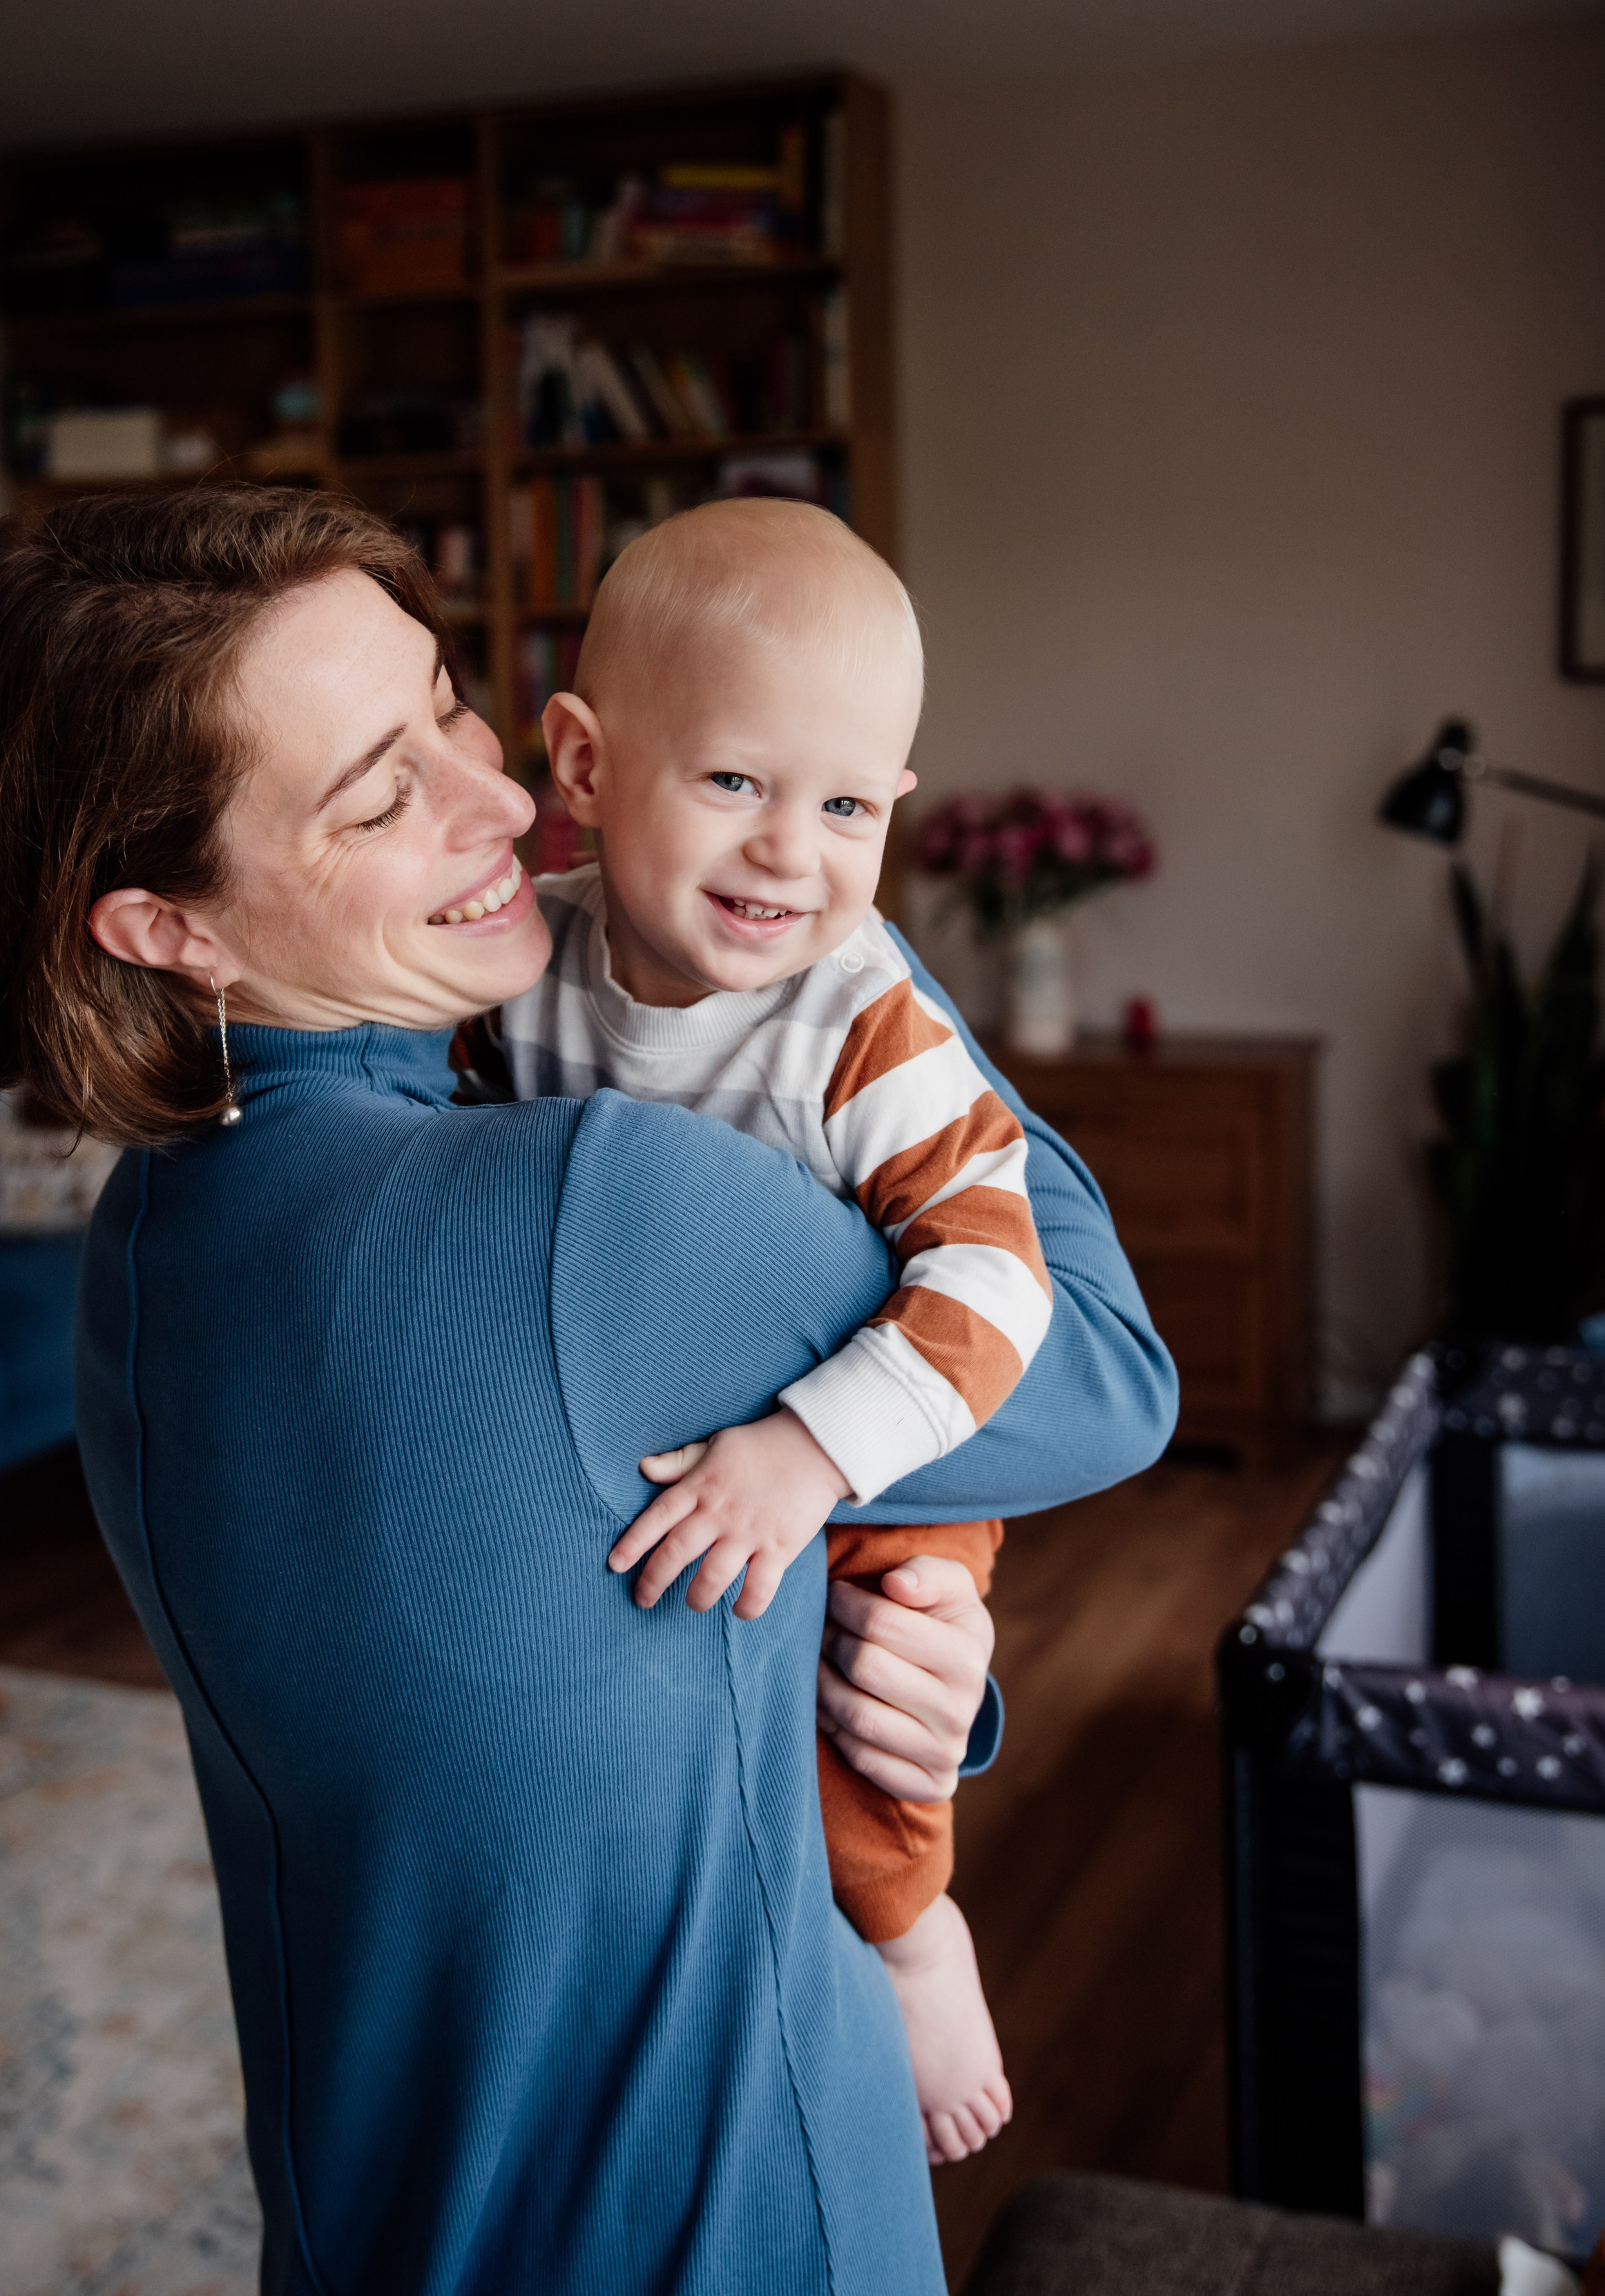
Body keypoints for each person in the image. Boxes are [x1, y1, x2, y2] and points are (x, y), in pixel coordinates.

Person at [0, 487, 1175, 2296]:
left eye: (448, 711)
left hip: (377, 2217)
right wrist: (832, 977)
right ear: (166, 922)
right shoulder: (604, 1207)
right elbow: (1111, 1371)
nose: (507, 802)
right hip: (725, 2227)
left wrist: (889, 1648)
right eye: (378, 789)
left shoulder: (142, 1251)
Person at [455, 498, 1046, 2159]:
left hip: (874, 1443)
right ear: (579, 762)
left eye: (847, 802)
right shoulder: (524, 962)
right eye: (734, 782)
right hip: (662, 1445)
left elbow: (999, 1280)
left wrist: (808, 1458)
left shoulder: (859, 1017)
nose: (793, 850)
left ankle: (919, 1932)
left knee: (874, 1696)